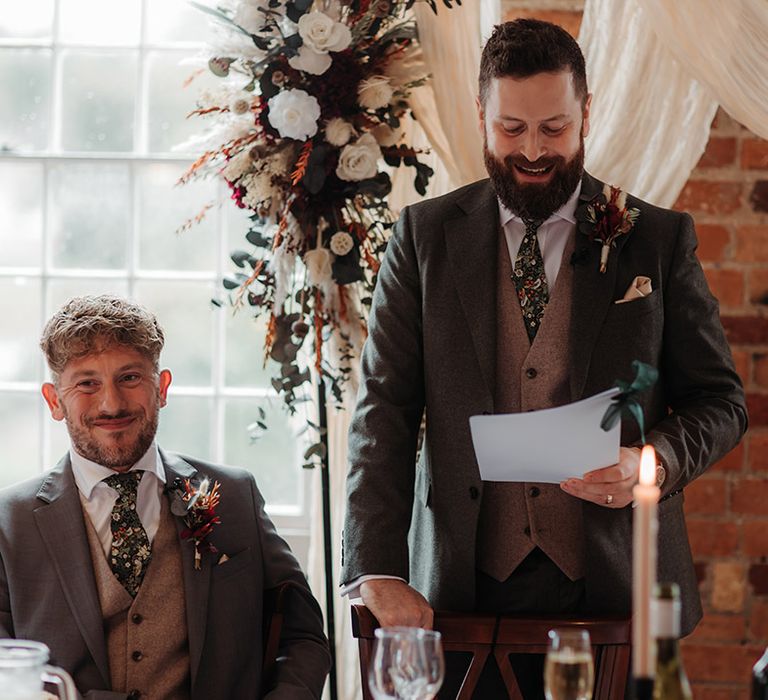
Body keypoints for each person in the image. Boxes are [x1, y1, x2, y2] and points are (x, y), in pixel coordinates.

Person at [341, 18, 747, 698]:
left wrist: (651, 463)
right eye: (512, 128)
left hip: (619, 586)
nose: (533, 151)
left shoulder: (656, 240)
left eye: (554, 129)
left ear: (587, 114)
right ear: (481, 115)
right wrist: (377, 569)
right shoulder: (425, 238)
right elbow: (382, 410)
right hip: (462, 585)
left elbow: (721, 403)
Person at [0, 295, 330, 699]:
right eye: (87, 383)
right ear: (55, 400)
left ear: (162, 387)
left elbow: (303, 637)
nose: (112, 403)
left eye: (130, 378)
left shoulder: (234, 496)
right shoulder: (9, 522)